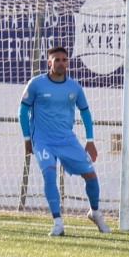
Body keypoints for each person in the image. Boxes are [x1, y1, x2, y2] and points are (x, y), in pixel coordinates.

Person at [18, 46, 111, 236]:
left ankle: (94, 212)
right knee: (49, 175)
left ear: (68, 62)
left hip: (67, 140)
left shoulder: (74, 88)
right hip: (43, 140)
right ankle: (58, 223)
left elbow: (85, 112)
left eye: (64, 60)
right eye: (57, 60)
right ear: (49, 63)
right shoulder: (36, 84)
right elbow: (22, 111)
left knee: (91, 176)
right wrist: (27, 138)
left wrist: (90, 140)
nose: (61, 63)